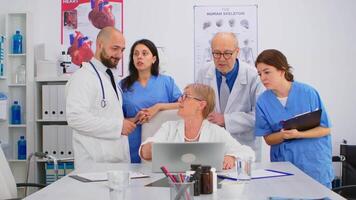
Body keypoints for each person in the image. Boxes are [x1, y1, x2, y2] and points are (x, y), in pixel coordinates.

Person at [254, 49, 334, 188]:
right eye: (259, 74)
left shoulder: (308, 93)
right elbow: (268, 139)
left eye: (267, 72)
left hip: (314, 165)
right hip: (284, 166)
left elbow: (325, 129)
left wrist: (299, 134)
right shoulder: (263, 101)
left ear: (281, 70)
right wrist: (283, 135)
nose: (262, 78)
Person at [66, 27, 136, 170]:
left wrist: (126, 122)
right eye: (115, 48)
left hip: (114, 164)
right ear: (99, 45)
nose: (119, 55)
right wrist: (118, 126)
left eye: (122, 50)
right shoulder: (82, 77)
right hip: (93, 165)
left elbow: (106, 114)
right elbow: (75, 118)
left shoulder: (108, 76)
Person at [139, 83, 255, 169]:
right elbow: (145, 152)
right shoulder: (169, 127)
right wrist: (148, 149)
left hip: (205, 186)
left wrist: (232, 157)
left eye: (186, 96)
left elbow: (248, 153)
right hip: (172, 185)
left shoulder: (215, 131)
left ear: (201, 105)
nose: (180, 100)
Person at [196, 32, 264, 160]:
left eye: (227, 53)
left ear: (237, 52)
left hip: (243, 146)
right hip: (212, 145)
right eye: (216, 53)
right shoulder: (204, 72)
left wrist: (226, 120)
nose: (221, 59)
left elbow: (259, 116)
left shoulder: (254, 76)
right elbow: (198, 107)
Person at [120, 39, 181, 163]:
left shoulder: (166, 82)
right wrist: (135, 119)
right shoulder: (123, 85)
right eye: (136, 54)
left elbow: (184, 105)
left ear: (153, 59)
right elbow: (117, 119)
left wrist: (158, 107)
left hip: (161, 140)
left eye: (144, 53)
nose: (139, 57)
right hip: (132, 142)